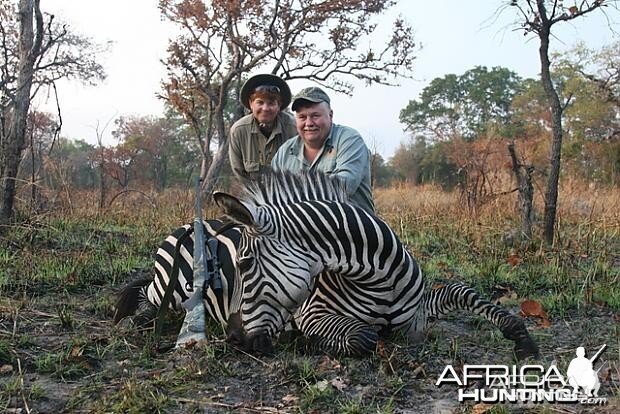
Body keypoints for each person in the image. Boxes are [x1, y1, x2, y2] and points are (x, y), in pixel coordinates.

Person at [271, 87, 375, 213]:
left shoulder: (349, 140)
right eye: (302, 117)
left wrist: (293, 191)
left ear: (330, 115)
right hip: (301, 229)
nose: (309, 123)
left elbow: (343, 187)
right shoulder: (284, 152)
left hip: (352, 228)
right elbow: (273, 194)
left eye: (315, 116)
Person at [229, 74, 297, 180]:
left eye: (271, 103)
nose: (265, 108)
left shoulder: (294, 128)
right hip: (254, 192)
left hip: (289, 192)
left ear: (279, 105)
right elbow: (239, 172)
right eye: (260, 102)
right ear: (251, 104)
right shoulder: (239, 130)